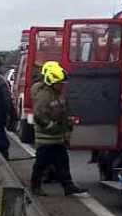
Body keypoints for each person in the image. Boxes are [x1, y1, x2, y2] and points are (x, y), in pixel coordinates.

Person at [30, 61, 87, 196]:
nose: (62, 86)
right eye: (60, 83)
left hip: (58, 137)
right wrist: (52, 127)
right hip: (46, 139)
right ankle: (35, 187)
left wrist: (68, 125)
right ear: (51, 81)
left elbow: (64, 111)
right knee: (41, 164)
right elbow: (38, 115)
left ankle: (68, 186)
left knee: (62, 162)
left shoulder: (57, 94)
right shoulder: (44, 96)